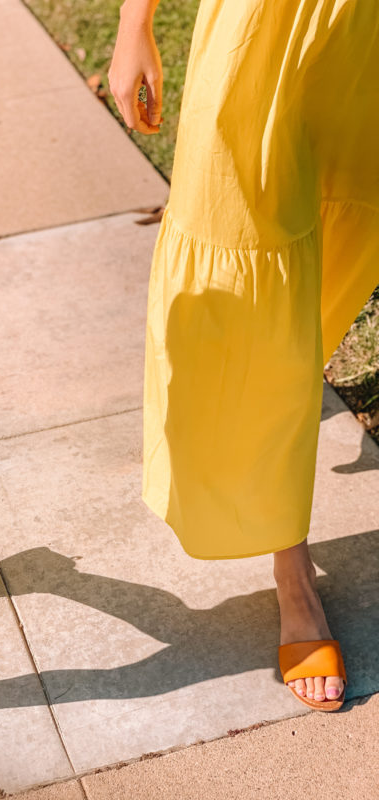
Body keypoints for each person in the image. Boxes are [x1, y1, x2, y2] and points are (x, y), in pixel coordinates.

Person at [109, 0, 378, 711]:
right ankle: (292, 572)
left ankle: (280, 404)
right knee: (252, 292)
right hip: (262, 33)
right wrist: (135, 23)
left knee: (345, 238)